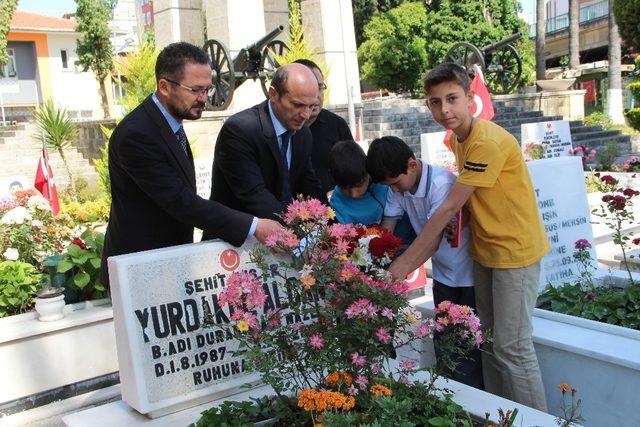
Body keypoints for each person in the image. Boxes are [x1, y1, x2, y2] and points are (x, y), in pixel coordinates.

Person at [386, 63, 550, 411]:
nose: (444, 110)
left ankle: (539, 421)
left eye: (452, 99)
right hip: (486, 250)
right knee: (487, 342)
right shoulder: (461, 139)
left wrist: (404, 263)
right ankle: (500, 415)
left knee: (512, 347)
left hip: (515, 253)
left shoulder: (485, 142)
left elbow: (446, 208)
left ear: (470, 99)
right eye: (434, 102)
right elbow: (466, 201)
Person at [101, 42, 282, 288]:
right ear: (164, 86)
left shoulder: (170, 121)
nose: (204, 99)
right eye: (196, 90)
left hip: (169, 262)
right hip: (139, 269)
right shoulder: (137, 135)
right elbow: (181, 202)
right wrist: (254, 226)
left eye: (207, 89)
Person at [366, 136, 482, 389]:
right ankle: (449, 392)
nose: (394, 190)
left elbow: (433, 238)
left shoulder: (441, 183)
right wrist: (374, 257)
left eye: (396, 183)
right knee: (445, 336)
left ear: (411, 165)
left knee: (468, 342)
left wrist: (400, 269)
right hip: (442, 274)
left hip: (467, 275)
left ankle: (472, 398)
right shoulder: (398, 186)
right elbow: (388, 231)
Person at [204, 63, 325, 234]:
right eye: (298, 105)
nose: (306, 114)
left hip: (282, 239)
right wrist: (295, 234)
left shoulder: (303, 133)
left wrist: (332, 230)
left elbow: (310, 185)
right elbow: (254, 195)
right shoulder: (240, 130)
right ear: (273, 94)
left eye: (311, 106)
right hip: (234, 246)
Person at [328, 140, 415, 246]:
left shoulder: (384, 184)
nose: (354, 194)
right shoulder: (336, 204)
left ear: (368, 174)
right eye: (345, 188)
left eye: (358, 185)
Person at [293, 59, 353, 194]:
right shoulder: (279, 129)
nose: (315, 97)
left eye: (320, 87)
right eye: (308, 89)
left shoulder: (337, 125)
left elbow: (355, 170)